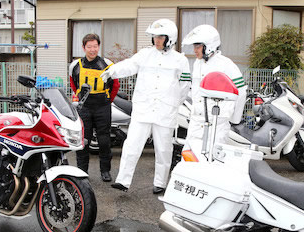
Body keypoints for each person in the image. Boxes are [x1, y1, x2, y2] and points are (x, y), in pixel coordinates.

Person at [101, 19, 190, 194]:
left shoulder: (180, 60)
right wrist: (112, 71)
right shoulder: (145, 54)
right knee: (131, 145)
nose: (156, 40)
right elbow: (128, 65)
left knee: (163, 150)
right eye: (154, 37)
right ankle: (123, 181)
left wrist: (173, 103)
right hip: (143, 109)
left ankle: (160, 183)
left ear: (169, 39)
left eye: (160, 37)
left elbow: (184, 87)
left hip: (165, 112)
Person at [181, 24, 247, 155]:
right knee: (189, 158)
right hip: (196, 122)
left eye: (198, 46)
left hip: (216, 124)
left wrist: (234, 119)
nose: (194, 50)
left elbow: (241, 91)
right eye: (194, 46)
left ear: (209, 46)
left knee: (212, 162)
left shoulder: (226, 64)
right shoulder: (197, 64)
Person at [69, 33, 118, 182]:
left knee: (104, 141)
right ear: (83, 47)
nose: (92, 50)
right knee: (83, 141)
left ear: (99, 46)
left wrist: (108, 101)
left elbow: (115, 85)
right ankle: (82, 172)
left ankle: (105, 171)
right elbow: (73, 82)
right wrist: (79, 95)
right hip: (85, 107)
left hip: (103, 106)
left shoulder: (107, 64)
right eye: (89, 46)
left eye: (95, 46)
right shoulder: (75, 65)